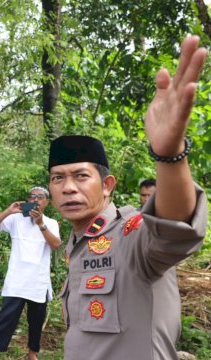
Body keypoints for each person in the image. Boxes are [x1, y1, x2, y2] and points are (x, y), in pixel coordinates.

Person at [48, 36, 208, 360]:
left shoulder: (131, 233)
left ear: (107, 185)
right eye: (58, 178)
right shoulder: (77, 243)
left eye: (81, 176)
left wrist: (169, 155)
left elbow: (172, 226)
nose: (68, 187)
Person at [0, 186, 61, 360]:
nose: (35, 199)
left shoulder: (51, 223)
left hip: (38, 281)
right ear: (27, 200)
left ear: (46, 202)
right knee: (6, 317)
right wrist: (8, 211)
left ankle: (32, 353)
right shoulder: (16, 219)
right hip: (17, 279)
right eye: (32, 196)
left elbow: (56, 244)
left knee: (36, 320)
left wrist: (41, 224)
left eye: (40, 197)